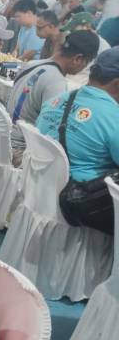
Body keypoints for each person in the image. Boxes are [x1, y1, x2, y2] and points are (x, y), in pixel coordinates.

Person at [36, 48, 119, 235]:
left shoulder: (55, 101)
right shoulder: (114, 118)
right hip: (82, 206)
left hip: (41, 192)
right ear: (117, 83)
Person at [7, 30, 99, 165]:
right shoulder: (56, 82)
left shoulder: (32, 64)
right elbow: (50, 132)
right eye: (86, 64)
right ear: (78, 59)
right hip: (21, 152)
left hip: (5, 139)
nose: (83, 68)